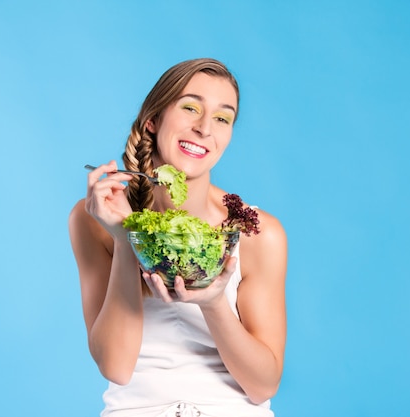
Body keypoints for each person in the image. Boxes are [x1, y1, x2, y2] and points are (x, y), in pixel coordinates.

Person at [68, 58, 287, 417]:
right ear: (153, 120)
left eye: (222, 117)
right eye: (190, 108)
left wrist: (214, 303)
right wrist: (127, 238)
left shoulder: (257, 231)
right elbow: (116, 367)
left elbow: (264, 385)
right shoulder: (93, 218)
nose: (205, 128)